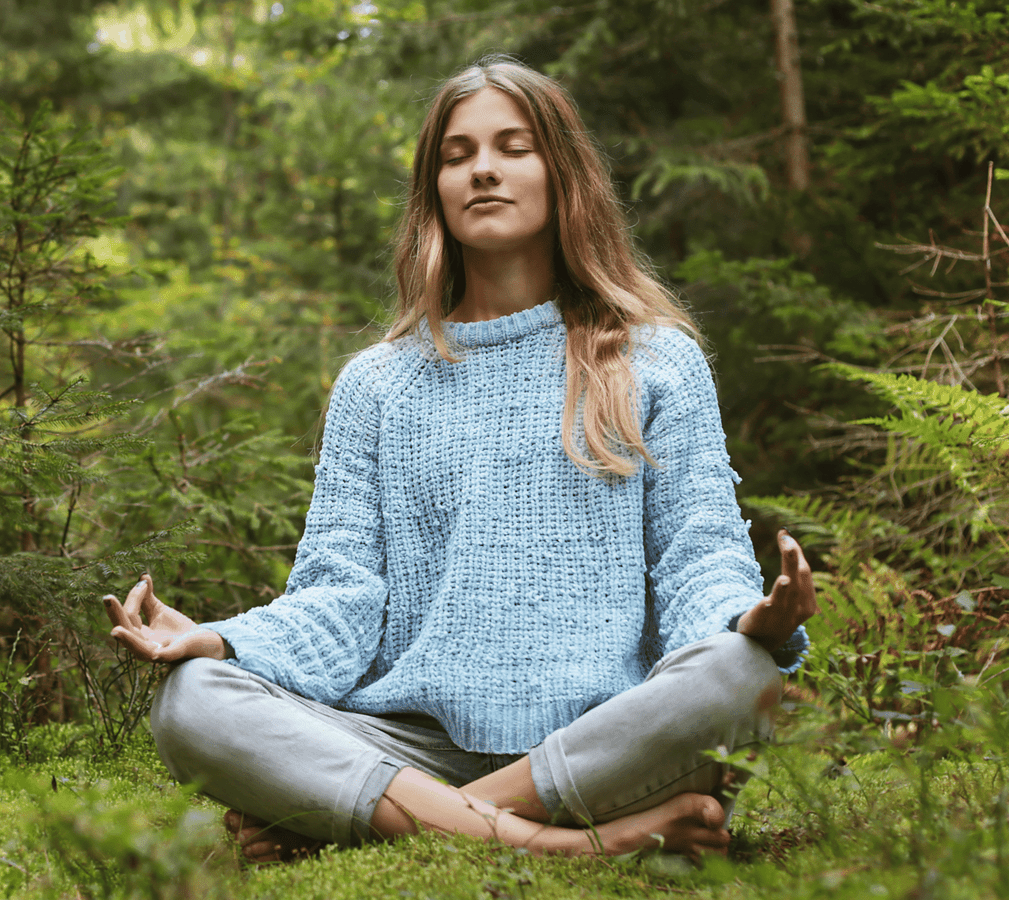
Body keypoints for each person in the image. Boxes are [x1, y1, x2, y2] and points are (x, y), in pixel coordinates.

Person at [104, 56, 817, 865]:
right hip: (411, 744)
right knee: (192, 701)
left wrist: (748, 620)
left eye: (513, 147)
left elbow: (701, 558)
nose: (482, 169)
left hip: (600, 736)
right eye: (457, 154)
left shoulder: (655, 362)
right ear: (434, 190)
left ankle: (374, 825)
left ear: (563, 173)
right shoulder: (377, 384)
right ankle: (577, 847)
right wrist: (221, 642)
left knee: (738, 673)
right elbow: (339, 597)